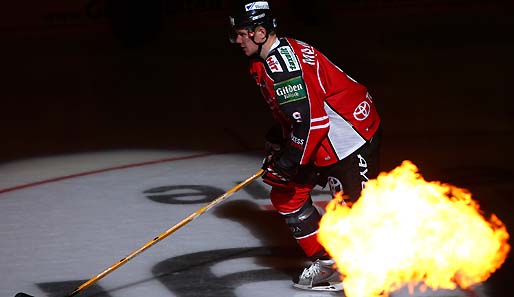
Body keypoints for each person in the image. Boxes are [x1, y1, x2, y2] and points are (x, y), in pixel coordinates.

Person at [229, 1, 382, 292]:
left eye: (241, 33)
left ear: (260, 33)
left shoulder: (283, 69)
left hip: (352, 139)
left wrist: (287, 162)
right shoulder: (265, 60)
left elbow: (314, 123)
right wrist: (281, 135)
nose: (236, 39)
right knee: (287, 195)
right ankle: (329, 265)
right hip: (321, 138)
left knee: (357, 221)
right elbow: (301, 116)